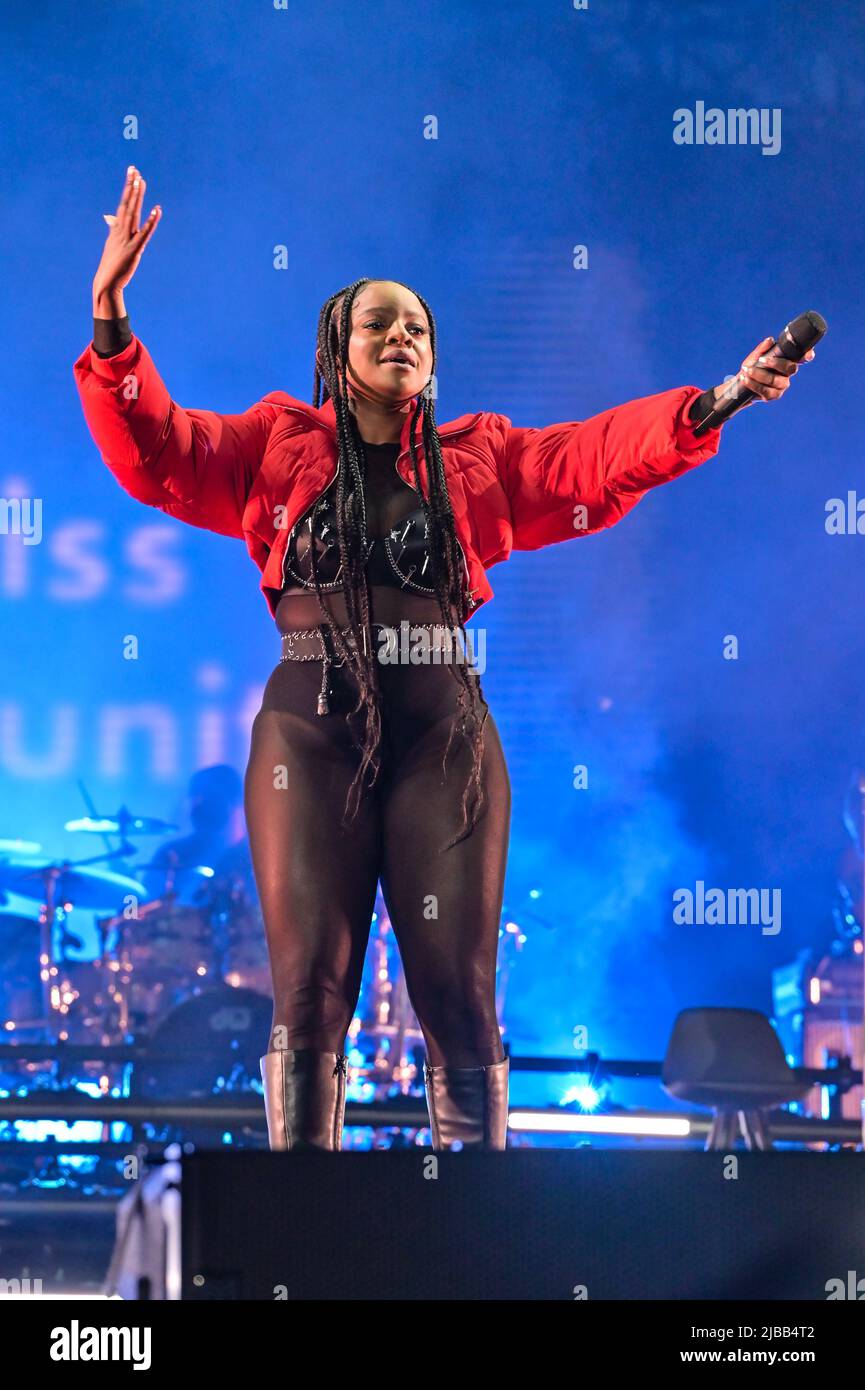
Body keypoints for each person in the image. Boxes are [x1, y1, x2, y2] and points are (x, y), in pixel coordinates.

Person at [73, 165, 815, 1151]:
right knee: (309, 996)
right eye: (378, 323)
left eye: (416, 326)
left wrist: (719, 399)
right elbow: (156, 452)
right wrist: (113, 327)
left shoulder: (479, 458)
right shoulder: (271, 442)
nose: (402, 337)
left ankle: (473, 1237)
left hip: (443, 739)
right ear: (334, 352)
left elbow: (595, 456)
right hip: (310, 731)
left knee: (460, 998)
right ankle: (304, 1239)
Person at [141, 763, 246, 907]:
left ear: (235, 803)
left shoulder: (258, 859)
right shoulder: (171, 854)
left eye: (209, 800)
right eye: (195, 801)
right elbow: (146, 906)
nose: (199, 808)